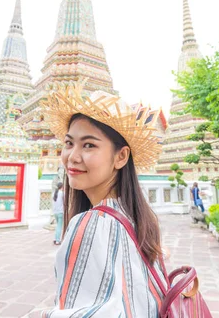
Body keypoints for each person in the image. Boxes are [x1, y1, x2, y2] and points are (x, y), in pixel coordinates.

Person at [41, 83, 168, 317]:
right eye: (69, 143)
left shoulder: (92, 223)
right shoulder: (139, 216)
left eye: (89, 145)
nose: (73, 157)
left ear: (121, 157)